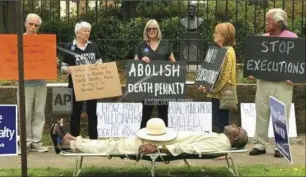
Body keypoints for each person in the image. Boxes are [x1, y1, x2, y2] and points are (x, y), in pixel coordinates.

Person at [50, 118, 248, 156]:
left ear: (236, 136)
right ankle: (72, 140)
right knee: (113, 143)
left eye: (235, 126)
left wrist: (159, 149)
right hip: (161, 139)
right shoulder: (220, 138)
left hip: (160, 144)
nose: (232, 124)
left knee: (113, 147)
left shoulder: (220, 142)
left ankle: (72, 144)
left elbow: (191, 149)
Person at [248, 8, 297, 158]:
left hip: (282, 83)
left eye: (269, 20)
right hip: (263, 81)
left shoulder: (292, 38)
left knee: (280, 113)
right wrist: (253, 70)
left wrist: (293, 75)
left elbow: (297, 61)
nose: (266, 22)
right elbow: (256, 59)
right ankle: (260, 144)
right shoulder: (262, 38)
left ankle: (280, 146)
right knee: (261, 112)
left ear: (278, 22)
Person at [61, 21, 102, 140]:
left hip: (92, 84)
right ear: (78, 32)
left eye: (89, 31)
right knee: (75, 112)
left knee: (92, 111)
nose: (87, 33)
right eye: (85, 30)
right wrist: (67, 69)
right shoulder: (70, 46)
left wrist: (98, 65)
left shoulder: (93, 45)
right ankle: (75, 138)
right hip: (75, 85)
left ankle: (93, 138)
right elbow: (63, 66)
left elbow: (99, 61)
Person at [134, 19, 176, 129]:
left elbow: (174, 64)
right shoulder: (141, 45)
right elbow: (134, 64)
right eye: (149, 29)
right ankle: (143, 141)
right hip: (147, 85)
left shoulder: (166, 44)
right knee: (146, 114)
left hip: (163, 85)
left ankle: (163, 141)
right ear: (146, 31)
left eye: (154, 28)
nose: (152, 30)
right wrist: (141, 60)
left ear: (158, 30)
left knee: (163, 114)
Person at [17, 13, 49, 153]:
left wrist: (53, 63)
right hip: (25, 83)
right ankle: (25, 142)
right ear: (25, 24)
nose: (33, 27)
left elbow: (48, 59)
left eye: (36, 25)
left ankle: (36, 142)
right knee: (25, 113)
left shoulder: (44, 41)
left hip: (41, 82)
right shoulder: (18, 40)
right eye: (31, 24)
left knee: (39, 112)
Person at [198, 22, 237, 133]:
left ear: (224, 36)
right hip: (216, 93)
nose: (214, 35)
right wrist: (205, 84)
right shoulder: (220, 50)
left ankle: (224, 144)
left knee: (222, 123)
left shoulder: (228, 52)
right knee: (217, 122)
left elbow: (224, 76)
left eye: (217, 33)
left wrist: (210, 88)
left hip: (222, 94)